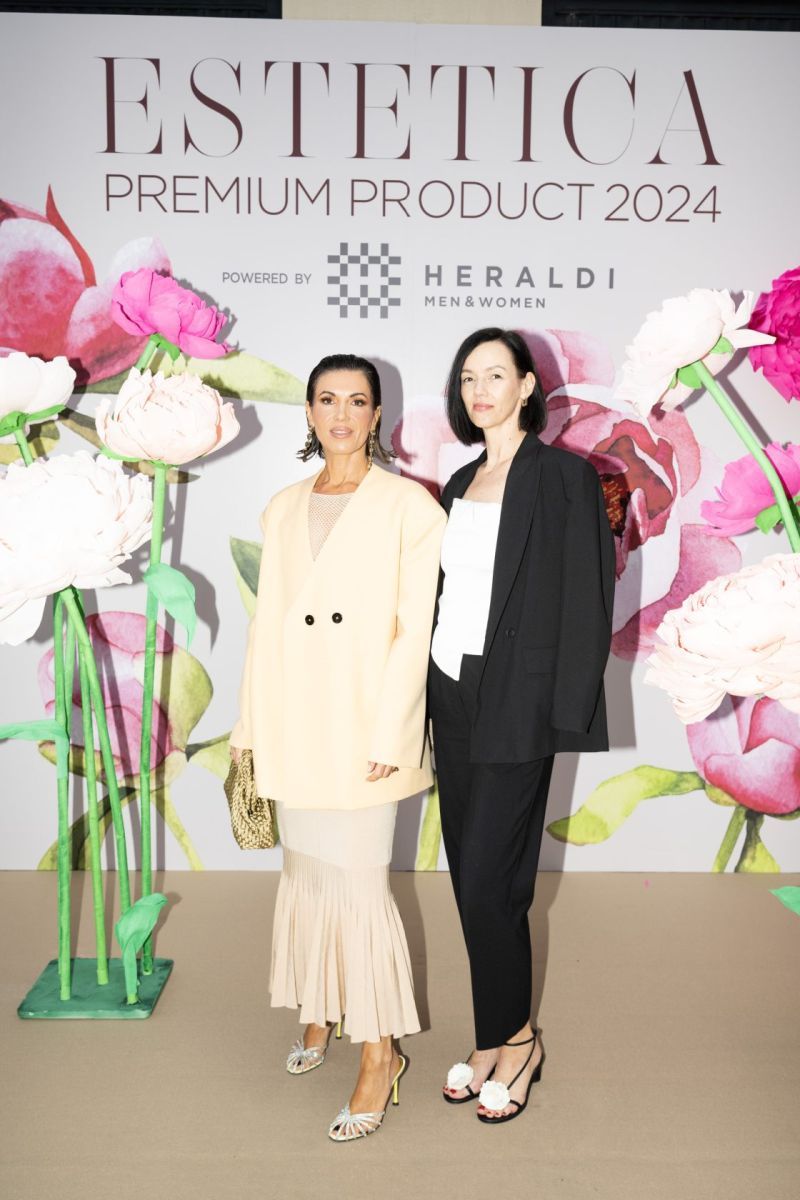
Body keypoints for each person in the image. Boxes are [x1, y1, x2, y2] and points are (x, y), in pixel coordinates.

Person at [230, 353, 445, 1142]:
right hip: (293, 722)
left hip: (362, 726)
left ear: (377, 414)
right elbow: (267, 629)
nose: (342, 414)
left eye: (358, 400)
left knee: (358, 887)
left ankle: (381, 1054)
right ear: (310, 413)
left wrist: (393, 731)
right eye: (328, 399)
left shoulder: (409, 507)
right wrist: (250, 730)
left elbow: (414, 630)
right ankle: (321, 1006)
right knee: (309, 873)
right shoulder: (283, 507)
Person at [428, 327, 615, 1125]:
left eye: (495, 375)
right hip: (450, 689)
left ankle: (518, 1042)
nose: (480, 390)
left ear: (528, 386)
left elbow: (589, 598)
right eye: (468, 377)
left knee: (487, 881)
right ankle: (491, 1038)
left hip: (519, 699)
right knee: (475, 880)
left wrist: (562, 712)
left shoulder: (565, 478)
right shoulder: (457, 481)